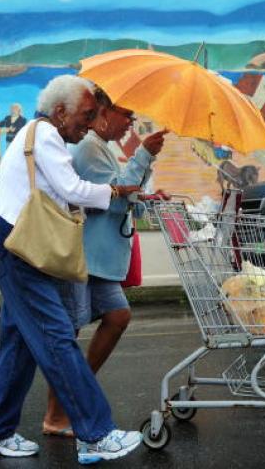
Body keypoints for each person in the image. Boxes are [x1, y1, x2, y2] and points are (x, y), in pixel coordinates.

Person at [0, 75, 143, 465]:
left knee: (18, 342)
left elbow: (59, 190)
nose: (90, 121)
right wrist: (114, 192)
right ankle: (96, 434)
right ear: (60, 111)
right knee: (55, 336)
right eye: (86, 114)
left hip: (15, 241)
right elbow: (73, 190)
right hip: (22, 248)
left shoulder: (36, 132)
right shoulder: (46, 135)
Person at [41, 86, 168, 438]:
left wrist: (148, 197)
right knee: (70, 334)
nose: (131, 123)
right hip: (85, 257)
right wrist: (144, 154)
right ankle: (56, 413)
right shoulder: (90, 148)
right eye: (127, 115)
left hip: (100, 259)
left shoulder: (104, 149)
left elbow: (123, 193)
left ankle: (74, 395)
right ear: (105, 113)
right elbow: (109, 200)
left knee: (117, 317)